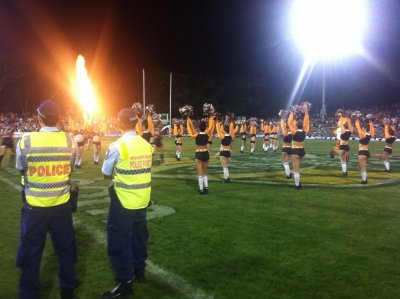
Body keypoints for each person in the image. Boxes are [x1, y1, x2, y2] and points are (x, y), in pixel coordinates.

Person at [15, 100, 78, 299]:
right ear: (58, 118)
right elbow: (70, 168)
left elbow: (20, 167)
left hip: (35, 206)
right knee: (65, 249)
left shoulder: (26, 141)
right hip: (61, 206)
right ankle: (68, 290)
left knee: (31, 252)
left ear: (39, 118)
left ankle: (28, 293)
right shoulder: (69, 140)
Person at [101, 108, 154, 298]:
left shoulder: (118, 146)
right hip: (142, 199)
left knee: (119, 239)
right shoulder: (145, 144)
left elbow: (106, 173)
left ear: (118, 123)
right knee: (140, 236)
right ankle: (140, 270)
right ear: (135, 122)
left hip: (123, 201)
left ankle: (125, 282)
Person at [187, 116, 214, 194]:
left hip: (199, 153)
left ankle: (201, 190)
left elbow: (191, 128)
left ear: (199, 128)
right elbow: (211, 126)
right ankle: (206, 188)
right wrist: (211, 117)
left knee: (200, 173)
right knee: (204, 172)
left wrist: (188, 119)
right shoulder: (207, 134)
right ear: (205, 128)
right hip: (206, 153)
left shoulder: (196, 135)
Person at [288, 107, 310, 189]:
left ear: (296, 124)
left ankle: (297, 185)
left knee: (296, 170)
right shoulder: (305, 131)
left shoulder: (294, 131)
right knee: (297, 168)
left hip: (295, 151)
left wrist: (292, 113)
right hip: (302, 152)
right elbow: (307, 122)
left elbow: (289, 123)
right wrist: (307, 113)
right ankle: (298, 181)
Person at [355, 115, 375, 184]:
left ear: (365, 129)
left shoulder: (363, 135)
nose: (362, 128)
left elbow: (358, 127)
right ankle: (364, 179)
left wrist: (357, 119)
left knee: (363, 169)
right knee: (361, 167)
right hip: (367, 152)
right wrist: (371, 122)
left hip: (362, 152)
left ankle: (364, 181)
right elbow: (372, 130)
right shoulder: (370, 134)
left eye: (363, 128)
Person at [280, 114, 292, 179]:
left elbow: (282, 125)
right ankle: (289, 173)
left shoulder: (285, 132)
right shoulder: (293, 132)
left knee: (284, 162)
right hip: (291, 148)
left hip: (285, 148)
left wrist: (282, 118)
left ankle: (288, 174)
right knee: (288, 162)